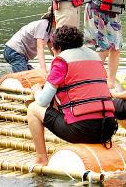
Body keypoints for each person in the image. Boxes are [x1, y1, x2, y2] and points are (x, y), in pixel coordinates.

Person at [27, 25, 118, 166]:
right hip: (108, 129)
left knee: (33, 108)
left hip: (83, 130)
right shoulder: (95, 57)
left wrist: (36, 90)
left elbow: (43, 101)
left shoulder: (61, 61)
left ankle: (41, 158)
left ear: (57, 48)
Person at [3, 7, 55, 73]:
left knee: (34, 75)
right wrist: (43, 69)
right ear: (54, 18)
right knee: (23, 78)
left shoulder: (50, 29)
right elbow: (40, 48)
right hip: (14, 51)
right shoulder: (43, 25)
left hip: (20, 54)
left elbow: (53, 49)